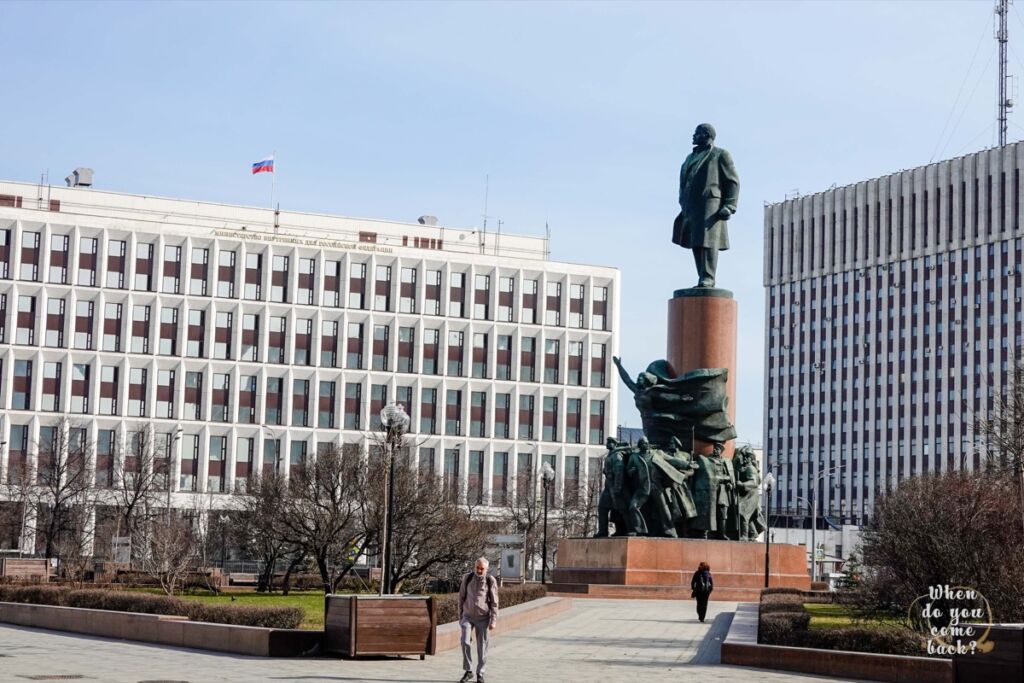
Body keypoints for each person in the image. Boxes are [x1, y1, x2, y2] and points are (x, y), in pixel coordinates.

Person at [672, 123, 740, 288]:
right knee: (696, 242)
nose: (693, 136)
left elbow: (732, 181)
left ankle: (708, 277)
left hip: (711, 204)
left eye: (697, 133)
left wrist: (729, 205)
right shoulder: (690, 157)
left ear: (706, 135)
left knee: (709, 241)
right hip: (691, 206)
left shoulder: (720, 154)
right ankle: (702, 276)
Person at [458, 557, 499, 683]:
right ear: (474, 566)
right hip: (468, 616)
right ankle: (468, 671)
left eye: (482, 568)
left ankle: (480, 673)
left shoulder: (490, 580)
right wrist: (461, 617)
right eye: (477, 567)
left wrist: (493, 620)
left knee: (482, 647)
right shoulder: (467, 578)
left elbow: (494, 602)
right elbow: (461, 597)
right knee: (465, 641)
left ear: (486, 569)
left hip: (483, 617)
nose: (479, 570)